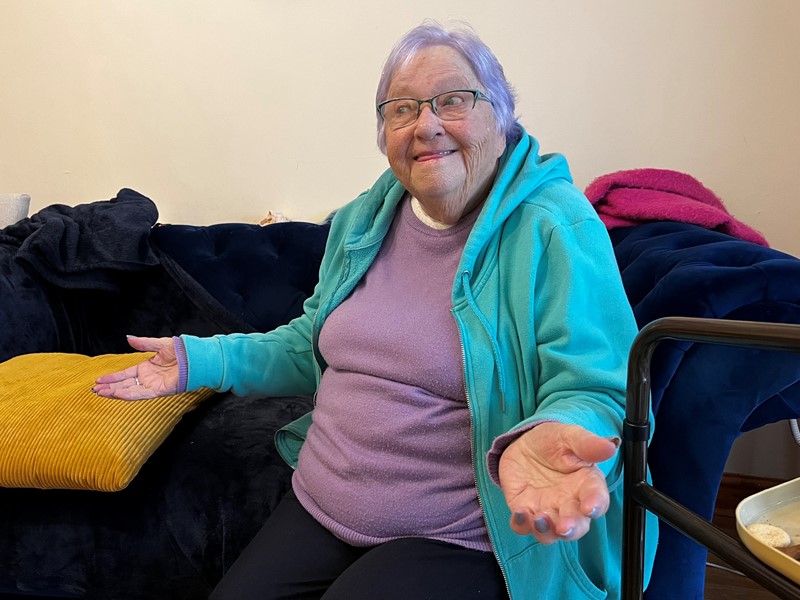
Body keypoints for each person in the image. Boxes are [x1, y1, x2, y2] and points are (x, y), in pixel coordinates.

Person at [94, 20, 657, 600]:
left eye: (453, 100)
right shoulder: (365, 218)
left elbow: (598, 384)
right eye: (402, 109)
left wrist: (556, 431)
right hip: (322, 502)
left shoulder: (552, 226)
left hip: (461, 534)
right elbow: (310, 341)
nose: (427, 124)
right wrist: (196, 360)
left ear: (503, 114)